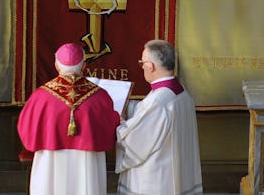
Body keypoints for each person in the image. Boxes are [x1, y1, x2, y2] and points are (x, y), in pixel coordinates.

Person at [17, 43, 120, 195]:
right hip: (87, 161)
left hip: (50, 159)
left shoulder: (41, 96)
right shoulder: (99, 96)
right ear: (84, 66)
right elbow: (111, 127)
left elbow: (25, 127)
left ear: (56, 66)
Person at [115, 39, 203, 195]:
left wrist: (120, 124)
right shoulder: (180, 90)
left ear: (151, 66)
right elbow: (151, 116)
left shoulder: (158, 101)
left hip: (156, 180)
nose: (142, 66)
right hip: (176, 173)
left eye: (142, 62)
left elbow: (135, 141)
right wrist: (130, 107)